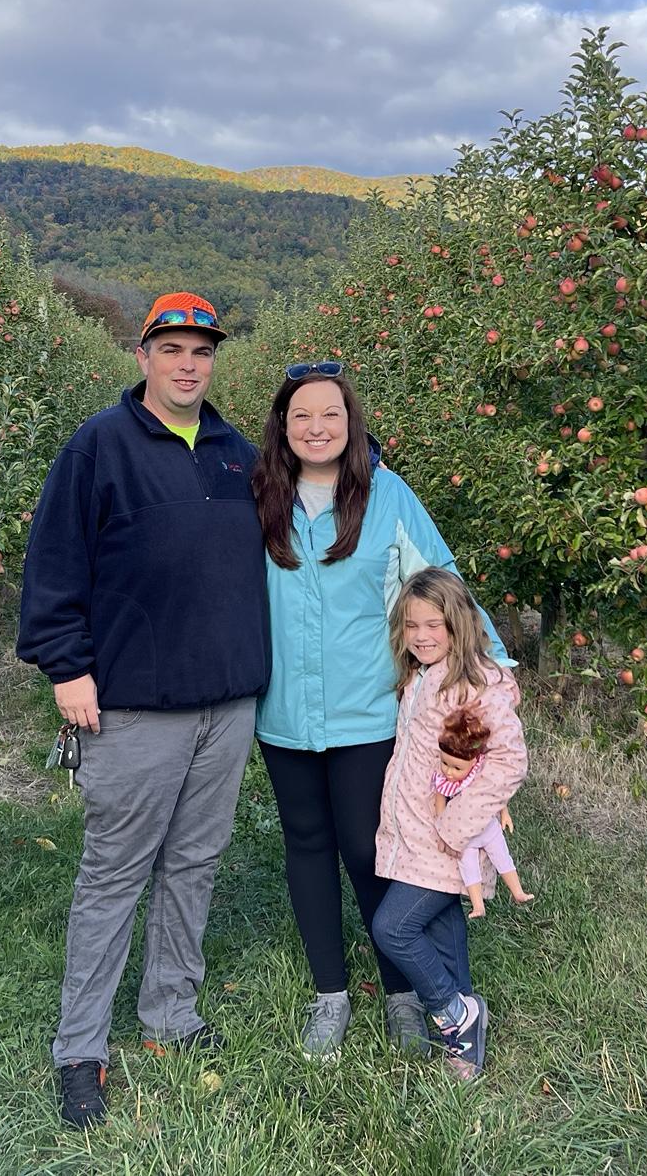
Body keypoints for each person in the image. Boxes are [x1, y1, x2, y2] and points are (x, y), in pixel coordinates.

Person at [16, 291, 269, 1131]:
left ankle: (170, 1015)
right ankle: (79, 1049)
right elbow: (55, 562)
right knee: (114, 874)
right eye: (172, 349)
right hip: (134, 707)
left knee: (194, 863)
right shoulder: (100, 445)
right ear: (144, 356)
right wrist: (67, 668)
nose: (188, 364)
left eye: (202, 351)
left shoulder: (235, 453)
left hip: (226, 703)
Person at [250, 362, 511, 1060]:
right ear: (282, 426)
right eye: (301, 415)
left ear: (351, 422)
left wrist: (493, 674)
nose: (317, 428)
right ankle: (330, 994)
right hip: (284, 711)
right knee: (307, 846)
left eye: (330, 414)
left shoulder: (386, 494)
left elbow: (441, 582)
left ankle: (402, 992)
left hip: (367, 711)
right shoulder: (262, 495)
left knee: (375, 850)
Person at [371, 567, 528, 1079]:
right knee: (440, 925)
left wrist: (457, 825)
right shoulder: (420, 676)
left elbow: (509, 759)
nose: (421, 636)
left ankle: (453, 1012)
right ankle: (466, 1040)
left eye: (433, 625)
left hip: (444, 838)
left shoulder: (473, 685)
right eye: (411, 625)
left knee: (393, 928)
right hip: (415, 834)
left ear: (458, 624)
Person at [432, 702, 534, 918]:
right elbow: (440, 805)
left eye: (457, 768)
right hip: (463, 834)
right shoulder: (443, 780)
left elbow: (495, 794)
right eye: (445, 763)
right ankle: (478, 905)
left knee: (502, 856)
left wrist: (504, 813)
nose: (449, 772)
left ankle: (518, 891)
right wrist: (443, 826)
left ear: (474, 761)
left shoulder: (478, 772)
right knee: (468, 868)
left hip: (487, 826)